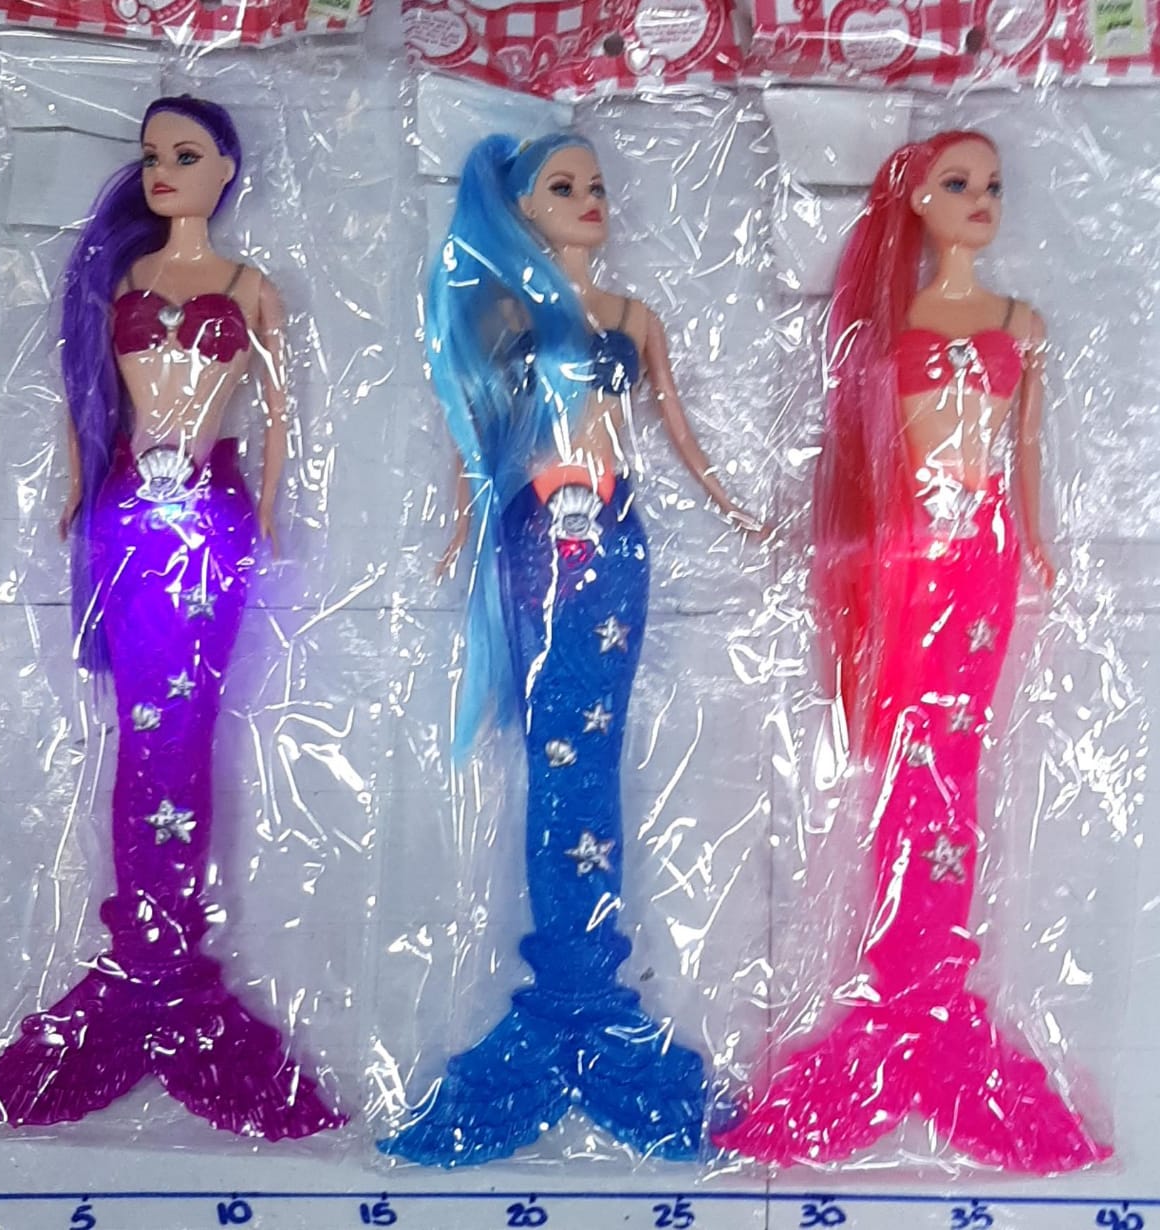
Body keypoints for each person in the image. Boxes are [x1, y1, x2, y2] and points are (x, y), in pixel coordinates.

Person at [0, 97, 342, 1139]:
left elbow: (278, 416)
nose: (162, 170)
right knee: (141, 729)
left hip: (209, 522)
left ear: (227, 168)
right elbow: (86, 398)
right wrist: (79, 495)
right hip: (130, 517)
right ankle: (144, 957)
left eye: (186, 154)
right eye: (152, 155)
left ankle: (164, 960)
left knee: (186, 727)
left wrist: (269, 509)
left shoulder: (251, 288)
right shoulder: (119, 281)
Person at [715, 130, 1108, 1172]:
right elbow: (863, 456)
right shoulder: (884, 328)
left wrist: (1038, 543)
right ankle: (903, 981)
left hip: (982, 560)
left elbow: (1023, 450)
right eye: (956, 183)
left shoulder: (1020, 325)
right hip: (908, 557)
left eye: (991, 184)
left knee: (954, 757)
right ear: (914, 200)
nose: (980, 199)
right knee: (908, 752)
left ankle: (927, 974)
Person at [379, 132, 760, 1166]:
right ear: (521, 207)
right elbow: (476, 434)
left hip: (616, 542)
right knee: (556, 754)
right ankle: (570, 987)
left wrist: (731, 505)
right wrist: (462, 527)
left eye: (596, 184)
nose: (590, 199)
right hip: (537, 538)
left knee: (593, 750)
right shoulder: (504, 319)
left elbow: (676, 433)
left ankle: (586, 985)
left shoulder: (633, 317)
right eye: (564, 185)